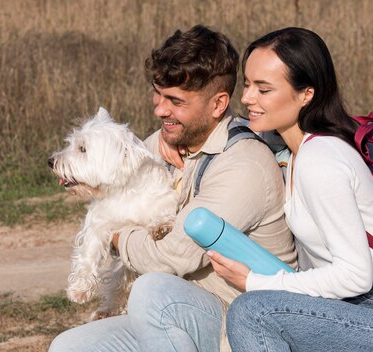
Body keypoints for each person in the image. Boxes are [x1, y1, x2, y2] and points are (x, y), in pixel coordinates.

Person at [48, 25, 297, 352]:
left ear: (218, 104)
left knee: (152, 289)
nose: (160, 109)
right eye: (158, 94)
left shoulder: (244, 165)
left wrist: (112, 234)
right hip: (176, 309)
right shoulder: (172, 142)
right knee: (70, 347)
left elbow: (168, 259)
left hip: (238, 319)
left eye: (175, 101)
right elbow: (116, 174)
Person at [208, 27, 373, 351]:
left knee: (252, 312)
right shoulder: (290, 154)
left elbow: (355, 275)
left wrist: (254, 282)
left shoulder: (321, 159)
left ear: (307, 94)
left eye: (264, 89)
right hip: (356, 310)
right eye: (247, 84)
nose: (247, 98)